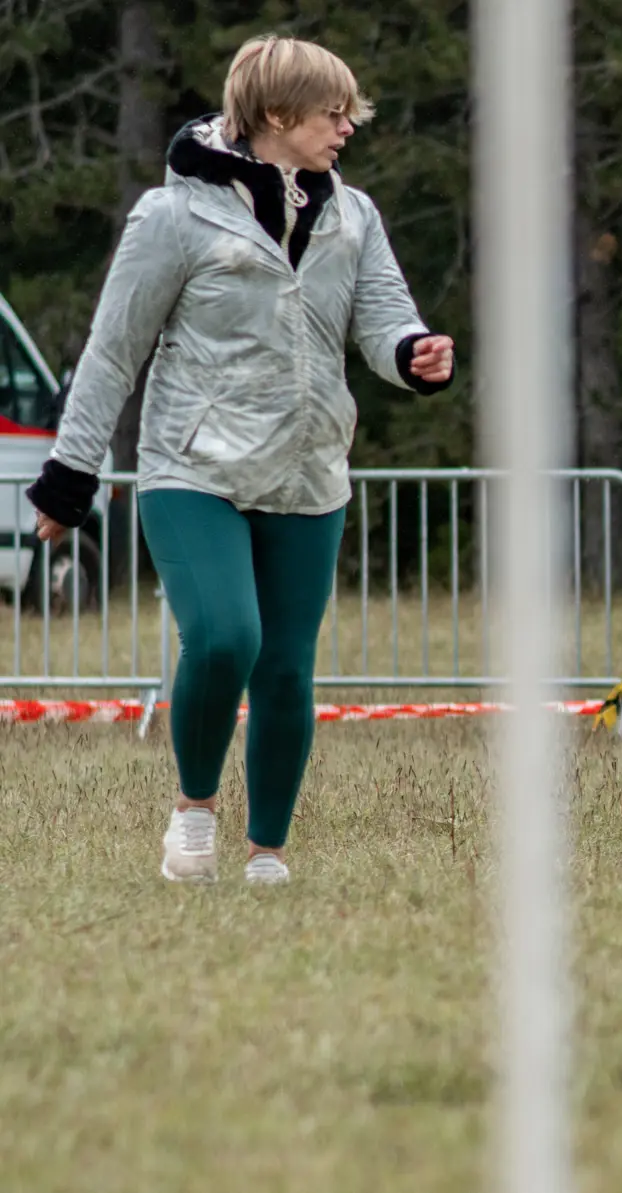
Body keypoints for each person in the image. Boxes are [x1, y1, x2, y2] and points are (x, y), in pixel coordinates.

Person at [26, 35, 455, 886]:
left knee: (287, 666)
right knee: (226, 636)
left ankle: (267, 853)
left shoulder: (353, 214)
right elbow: (113, 353)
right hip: (195, 468)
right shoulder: (172, 216)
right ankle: (193, 814)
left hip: (308, 470)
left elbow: (381, 314)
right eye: (334, 113)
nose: (347, 128)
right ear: (275, 115)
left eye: (350, 113)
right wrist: (70, 479)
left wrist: (410, 352)